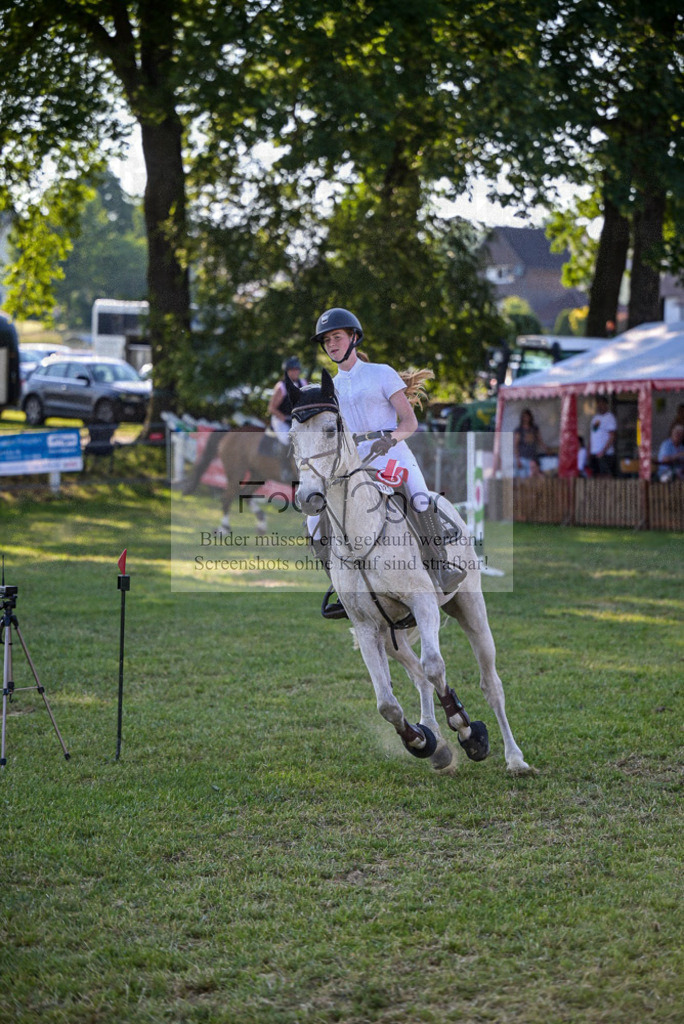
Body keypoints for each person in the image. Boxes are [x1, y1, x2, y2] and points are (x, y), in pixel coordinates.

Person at [306, 306, 466, 614]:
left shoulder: (382, 373)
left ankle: (441, 566)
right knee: (314, 521)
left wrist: (389, 439)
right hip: (354, 464)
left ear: (354, 338)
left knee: (418, 498)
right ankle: (342, 587)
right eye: (326, 341)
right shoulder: (331, 387)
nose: (331, 345)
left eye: (336, 337)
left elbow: (409, 422)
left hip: (392, 455)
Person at [267, 356, 307, 444]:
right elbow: (271, 408)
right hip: (282, 421)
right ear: (286, 371)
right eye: (292, 370)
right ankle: (283, 458)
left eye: (297, 369)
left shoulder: (303, 383)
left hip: (298, 419)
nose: (295, 372)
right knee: (288, 441)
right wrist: (284, 418)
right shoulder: (281, 387)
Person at [513, 408, 548, 478]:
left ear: (530, 417)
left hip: (533, 458)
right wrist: (517, 460)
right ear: (522, 418)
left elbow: (540, 440)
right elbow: (515, 445)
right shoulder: (519, 430)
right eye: (524, 417)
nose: (526, 418)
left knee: (532, 478)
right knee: (523, 478)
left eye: (527, 416)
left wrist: (546, 450)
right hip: (522, 457)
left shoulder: (534, 428)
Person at [588, 395, 617, 477]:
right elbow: (592, 435)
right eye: (598, 404)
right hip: (594, 452)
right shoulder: (595, 418)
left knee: (606, 474)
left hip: (605, 454)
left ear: (606, 405)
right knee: (596, 474)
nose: (599, 406)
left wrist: (603, 451)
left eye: (601, 404)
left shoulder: (610, 417)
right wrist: (589, 450)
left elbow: (612, 436)